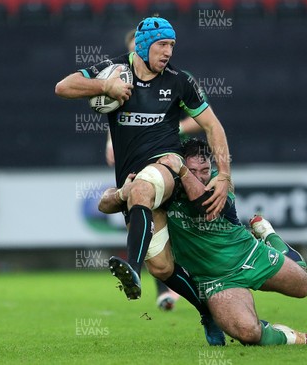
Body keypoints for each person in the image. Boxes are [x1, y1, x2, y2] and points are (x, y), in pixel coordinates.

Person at [55, 17, 230, 345]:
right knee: (163, 268)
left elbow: (213, 126)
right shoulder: (114, 70)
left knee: (142, 188)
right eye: (163, 45)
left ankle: (131, 268)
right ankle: (208, 312)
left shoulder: (180, 80)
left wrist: (225, 176)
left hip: (168, 166)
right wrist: (104, 87)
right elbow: (63, 87)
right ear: (143, 44)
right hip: (132, 179)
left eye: (172, 46)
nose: (168, 52)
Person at [100, 138, 307, 345]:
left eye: (204, 170)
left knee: (305, 286)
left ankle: (269, 236)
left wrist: (184, 172)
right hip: (216, 280)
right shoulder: (169, 187)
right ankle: (291, 337)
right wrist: (124, 193)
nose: (200, 176)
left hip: (249, 255)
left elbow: (205, 206)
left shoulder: (219, 183)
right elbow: (104, 205)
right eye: (193, 170)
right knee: (248, 333)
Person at [103, 28, 201, 312]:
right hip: (135, 164)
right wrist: (111, 140)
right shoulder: (121, 80)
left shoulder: (177, 80)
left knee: (184, 224)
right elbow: (117, 115)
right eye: (133, 49)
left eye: (167, 46)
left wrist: (168, 127)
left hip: (172, 161)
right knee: (158, 259)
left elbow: (204, 120)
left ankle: (222, 277)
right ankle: (203, 307)